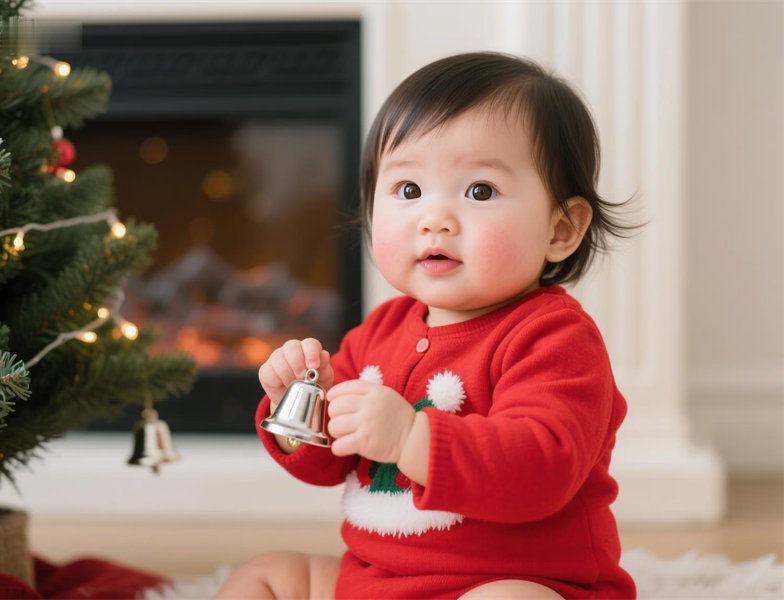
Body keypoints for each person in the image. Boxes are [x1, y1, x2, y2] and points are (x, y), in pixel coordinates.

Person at [217, 52, 638, 599]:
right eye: (409, 191)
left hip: (511, 580)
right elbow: (326, 465)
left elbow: (543, 469)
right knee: (268, 575)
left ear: (561, 229)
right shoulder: (379, 331)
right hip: (374, 580)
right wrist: (296, 406)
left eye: (480, 190)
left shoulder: (554, 339)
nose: (433, 219)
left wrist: (411, 438)